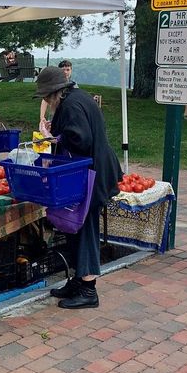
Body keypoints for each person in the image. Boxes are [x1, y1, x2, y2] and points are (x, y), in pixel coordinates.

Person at [34, 66, 123, 309]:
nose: (45, 100)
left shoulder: (72, 104)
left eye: (45, 95)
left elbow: (80, 139)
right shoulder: (76, 98)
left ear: (55, 92)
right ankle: (77, 280)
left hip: (91, 173)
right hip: (90, 170)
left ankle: (88, 289)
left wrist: (55, 138)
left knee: (85, 228)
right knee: (75, 228)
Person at [40, 60, 74, 129]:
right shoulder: (54, 85)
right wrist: (42, 117)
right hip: (54, 118)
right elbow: (45, 100)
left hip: (68, 120)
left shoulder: (74, 86)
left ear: (71, 71)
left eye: (68, 70)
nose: (65, 72)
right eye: (63, 70)